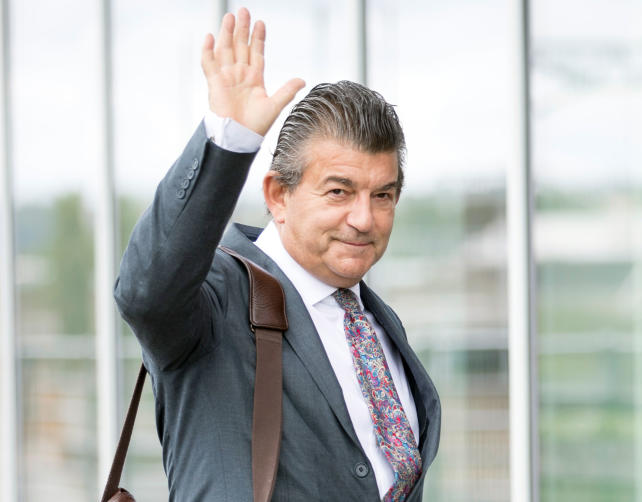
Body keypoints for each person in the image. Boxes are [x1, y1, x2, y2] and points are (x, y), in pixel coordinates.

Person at [114, 8, 440, 501]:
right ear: (277, 196)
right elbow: (146, 292)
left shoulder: (377, 322)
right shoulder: (219, 298)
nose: (363, 219)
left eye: (383, 195)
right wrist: (231, 139)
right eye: (338, 191)